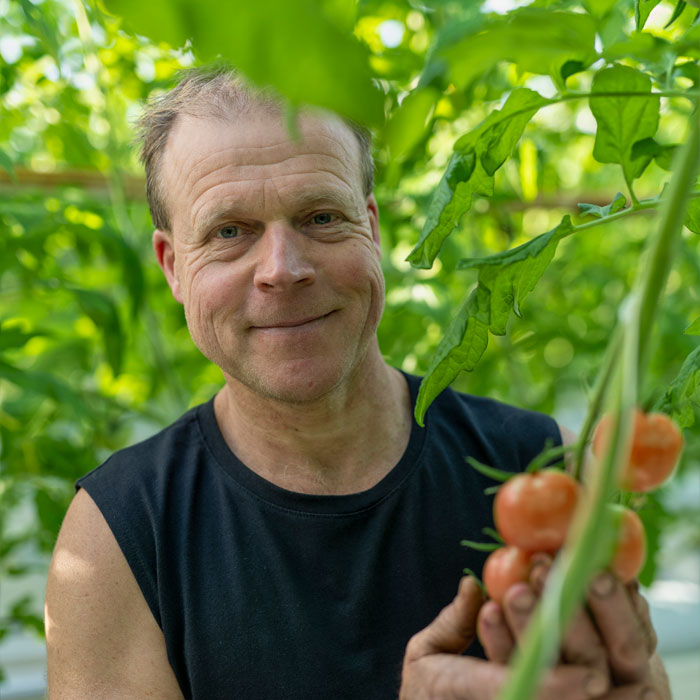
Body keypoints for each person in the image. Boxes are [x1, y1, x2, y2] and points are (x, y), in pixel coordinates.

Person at [44, 68, 670, 700]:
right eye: (230, 232)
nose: (283, 270)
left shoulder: (544, 475)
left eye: (320, 216)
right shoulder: (117, 539)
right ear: (173, 266)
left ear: (370, 227)